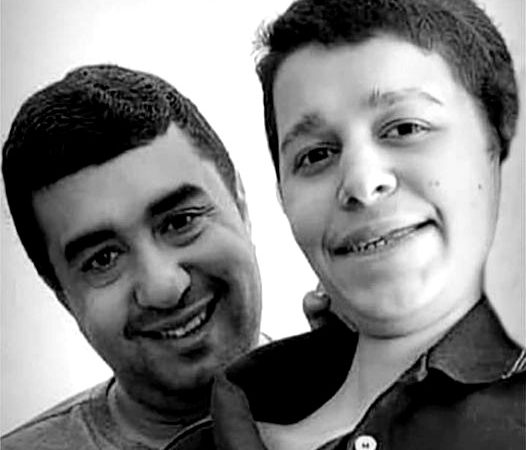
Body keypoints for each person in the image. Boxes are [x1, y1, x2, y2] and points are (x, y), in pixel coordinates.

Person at [208, 0, 526, 449]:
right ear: (282, 197)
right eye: (316, 155)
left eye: (405, 128)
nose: (360, 182)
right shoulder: (219, 427)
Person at [0, 64, 327, 450]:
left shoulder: (373, 398)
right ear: (62, 295)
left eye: (180, 222)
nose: (164, 287)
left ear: (240, 204)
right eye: (103, 259)